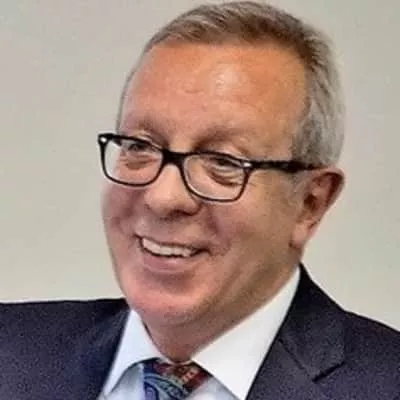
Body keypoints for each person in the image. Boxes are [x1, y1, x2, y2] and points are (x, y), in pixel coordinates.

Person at [1, 1, 399, 399]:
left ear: (310, 203)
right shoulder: (12, 351)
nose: (163, 197)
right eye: (140, 146)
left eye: (222, 162)